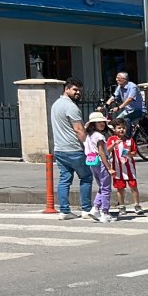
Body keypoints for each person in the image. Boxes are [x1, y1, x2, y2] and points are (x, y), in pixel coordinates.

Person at [50, 77, 93, 220]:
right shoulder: (71, 107)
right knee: (86, 177)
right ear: (66, 89)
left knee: (64, 179)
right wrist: (88, 146)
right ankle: (86, 209)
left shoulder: (55, 105)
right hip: (74, 149)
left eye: (79, 90)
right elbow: (79, 129)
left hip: (59, 149)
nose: (78, 93)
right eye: (75, 89)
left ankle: (64, 210)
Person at [106, 118, 144, 216]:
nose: (121, 130)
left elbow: (134, 153)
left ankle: (137, 204)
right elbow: (107, 151)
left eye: (123, 128)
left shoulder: (129, 140)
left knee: (133, 187)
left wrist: (129, 154)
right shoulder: (111, 139)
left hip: (129, 168)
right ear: (114, 129)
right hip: (117, 169)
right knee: (120, 188)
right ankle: (122, 205)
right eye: (119, 128)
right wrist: (114, 144)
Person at [83, 112, 115, 223]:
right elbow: (102, 152)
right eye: (99, 122)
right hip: (101, 162)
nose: (102, 124)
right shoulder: (99, 136)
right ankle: (105, 212)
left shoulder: (89, 136)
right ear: (93, 124)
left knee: (102, 187)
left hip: (92, 162)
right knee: (106, 189)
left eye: (103, 122)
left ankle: (95, 208)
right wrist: (109, 167)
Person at [105, 71, 147, 137]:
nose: (116, 79)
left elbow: (130, 99)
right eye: (116, 78)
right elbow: (114, 96)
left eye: (118, 78)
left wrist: (119, 107)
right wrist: (106, 104)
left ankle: (128, 138)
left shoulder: (133, 86)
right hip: (127, 111)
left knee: (126, 120)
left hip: (139, 110)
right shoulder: (119, 87)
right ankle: (119, 138)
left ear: (124, 79)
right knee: (117, 122)